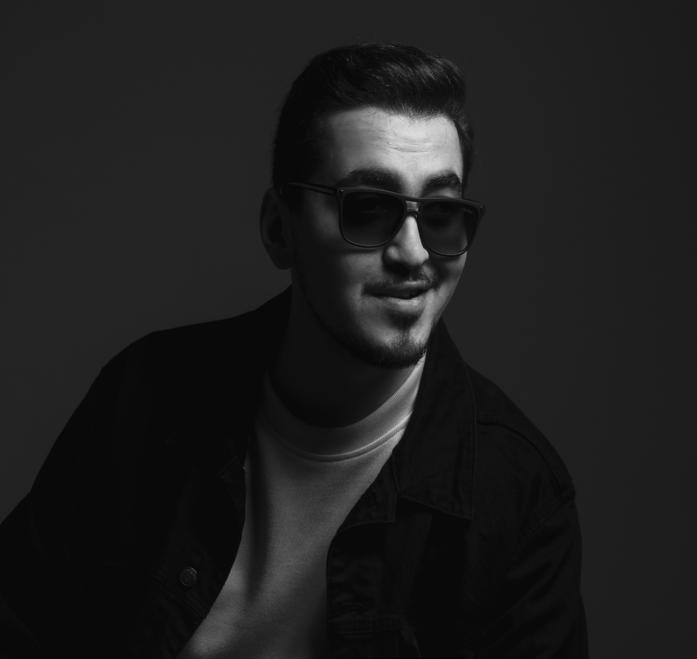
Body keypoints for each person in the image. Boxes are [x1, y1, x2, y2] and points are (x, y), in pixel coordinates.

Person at [0, 43, 587, 658]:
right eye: (368, 208)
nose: (414, 253)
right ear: (280, 229)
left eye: (440, 213)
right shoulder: (147, 394)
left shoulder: (521, 496)